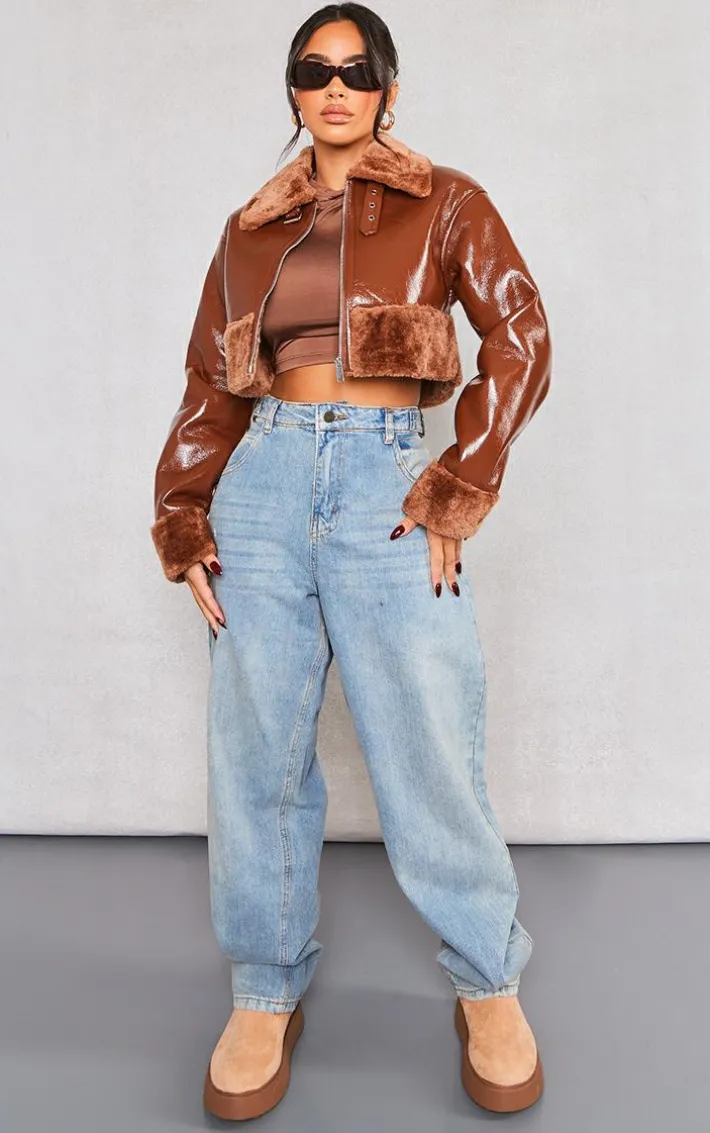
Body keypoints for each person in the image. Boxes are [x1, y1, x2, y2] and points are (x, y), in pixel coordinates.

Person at [150, 2, 551, 1121]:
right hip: (264, 487)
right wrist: (183, 511)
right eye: (314, 67)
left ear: (387, 89)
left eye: (357, 68)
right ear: (292, 88)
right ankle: (264, 985)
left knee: (427, 740)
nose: (335, 85)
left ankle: (488, 978)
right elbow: (207, 385)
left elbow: (520, 334)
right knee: (258, 751)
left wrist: (460, 475)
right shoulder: (248, 230)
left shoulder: (445, 201)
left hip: (385, 481)